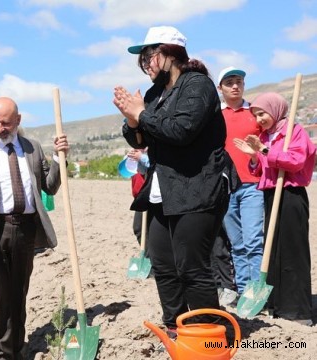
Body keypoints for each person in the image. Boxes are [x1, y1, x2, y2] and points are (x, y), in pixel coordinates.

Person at [113, 26, 239, 336]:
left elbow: (180, 131)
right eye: (143, 59)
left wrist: (141, 115)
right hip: (163, 189)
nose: (147, 64)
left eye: (150, 55)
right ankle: (175, 326)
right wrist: (132, 120)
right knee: (164, 265)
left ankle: (206, 332)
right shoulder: (156, 93)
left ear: (170, 52)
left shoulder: (197, 86)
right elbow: (141, 137)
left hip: (198, 186)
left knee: (192, 267)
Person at [0, 97, 69, 360]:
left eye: (5, 123)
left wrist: (58, 157)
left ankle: (19, 350)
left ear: (18, 121)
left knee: (18, 295)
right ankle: (2, 355)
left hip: (24, 230)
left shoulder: (33, 149)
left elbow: (50, 186)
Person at [234, 92, 315, 326]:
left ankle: (298, 310)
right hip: (271, 194)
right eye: (256, 115)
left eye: (262, 113)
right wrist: (254, 156)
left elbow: (296, 161)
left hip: (290, 195)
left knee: (292, 251)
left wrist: (266, 151)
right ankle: (277, 305)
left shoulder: (294, 131)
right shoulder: (265, 136)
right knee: (274, 251)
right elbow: (261, 170)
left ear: (275, 109)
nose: (259, 119)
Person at [216, 66, 264, 302]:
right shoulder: (214, 115)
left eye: (239, 81)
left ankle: (256, 291)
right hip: (225, 188)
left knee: (253, 240)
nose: (235, 86)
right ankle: (245, 292)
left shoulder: (256, 113)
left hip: (252, 185)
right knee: (237, 244)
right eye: (229, 82)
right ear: (220, 88)